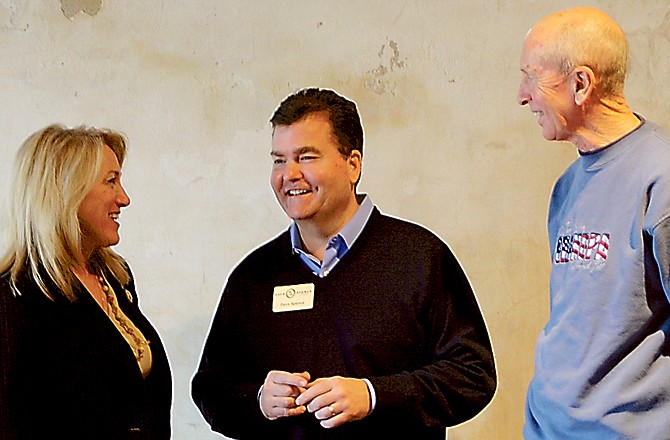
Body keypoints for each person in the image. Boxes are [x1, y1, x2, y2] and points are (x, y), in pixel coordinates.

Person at [192, 87, 496, 439]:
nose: (288, 174)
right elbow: (211, 389)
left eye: (306, 157)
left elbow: (473, 375)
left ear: (353, 164)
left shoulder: (420, 258)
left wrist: (373, 396)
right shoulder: (253, 276)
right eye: (279, 159)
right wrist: (257, 399)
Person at [518, 7, 670, 439]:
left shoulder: (661, 178)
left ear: (580, 84)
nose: (522, 95)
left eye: (531, 75)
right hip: (548, 428)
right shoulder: (568, 184)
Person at [0, 125, 173, 439]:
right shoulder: (12, 296)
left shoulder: (115, 278)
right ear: (65, 192)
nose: (124, 198)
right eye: (111, 181)